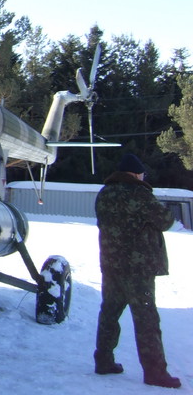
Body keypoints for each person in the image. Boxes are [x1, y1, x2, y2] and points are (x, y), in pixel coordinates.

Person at [93, 153, 180, 389]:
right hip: (138, 268)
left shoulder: (104, 194)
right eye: (142, 174)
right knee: (146, 319)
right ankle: (155, 372)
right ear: (135, 173)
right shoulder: (139, 194)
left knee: (109, 312)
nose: (143, 177)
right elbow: (165, 220)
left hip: (111, 264)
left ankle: (104, 360)